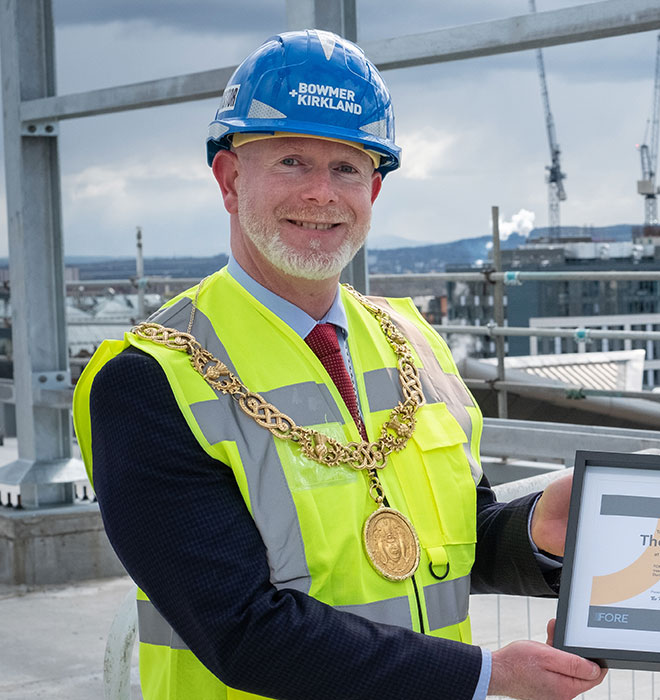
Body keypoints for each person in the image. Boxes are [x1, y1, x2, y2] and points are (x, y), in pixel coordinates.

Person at [72, 29, 605, 700]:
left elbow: (442, 548)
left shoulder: (413, 342)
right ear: (230, 180)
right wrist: (486, 675)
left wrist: (537, 528)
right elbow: (239, 627)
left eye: (347, 168)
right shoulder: (149, 379)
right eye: (292, 161)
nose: (322, 194)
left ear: (374, 191)